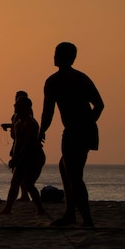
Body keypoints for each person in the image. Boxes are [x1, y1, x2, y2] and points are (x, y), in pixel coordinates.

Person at [40, 42, 104, 227]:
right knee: (65, 167)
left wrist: (41, 131)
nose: (53, 57)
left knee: (74, 175)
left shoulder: (54, 81)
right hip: (85, 129)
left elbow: (48, 112)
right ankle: (70, 214)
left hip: (75, 131)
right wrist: (89, 123)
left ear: (61, 57)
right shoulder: (82, 78)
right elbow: (99, 106)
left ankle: (86, 220)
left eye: (55, 54)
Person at [0, 96, 45, 215]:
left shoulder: (30, 123)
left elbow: (27, 144)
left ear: (25, 107)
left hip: (33, 157)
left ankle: (40, 209)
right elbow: (17, 143)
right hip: (21, 157)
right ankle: (7, 209)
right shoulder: (18, 122)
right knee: (15, 182)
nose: (14, 106)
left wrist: (16, 159)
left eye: (17, 105)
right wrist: (14, 157)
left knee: (28, 183)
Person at [1, 90, 31, 201]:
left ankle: (24, 195)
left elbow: (23, 127)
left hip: (21, 145)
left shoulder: (26, 113)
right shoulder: (17, 114)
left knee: (20, 173)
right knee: (17, 172)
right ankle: (24, 195)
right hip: (16, 144)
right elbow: (16, 126)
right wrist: (8, 126)